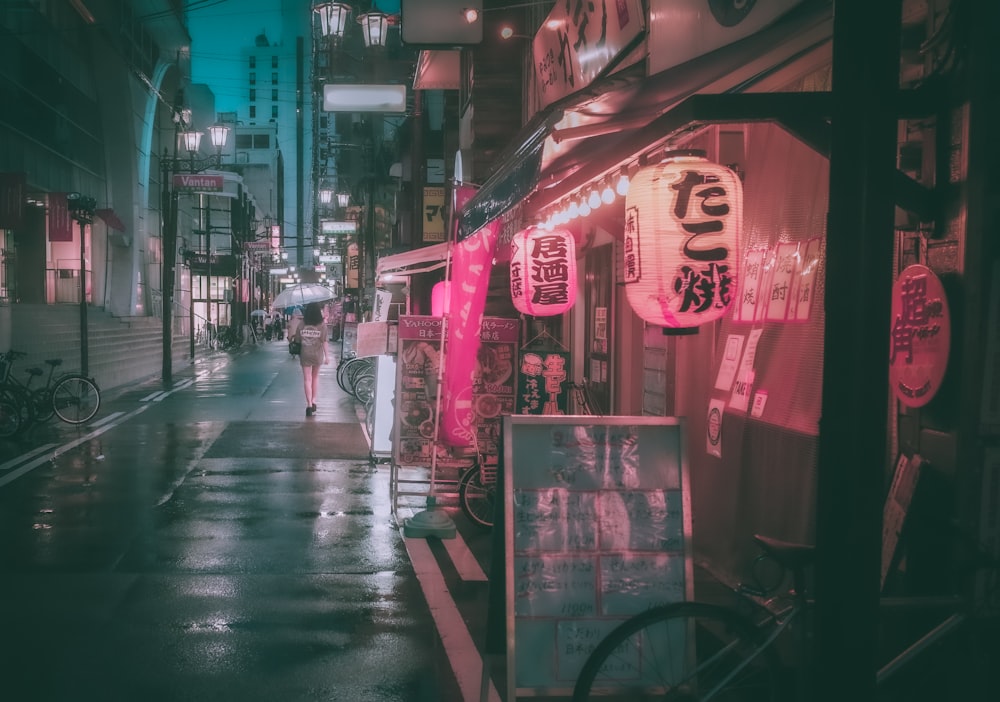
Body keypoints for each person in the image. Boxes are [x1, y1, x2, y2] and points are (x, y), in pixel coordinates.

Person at [293, 302, 329, 417]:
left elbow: (297, 340)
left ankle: (308, 404)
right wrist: (327, 356)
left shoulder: (302, 324)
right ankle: (314, 400)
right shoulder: (322, 324)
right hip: (317, 354)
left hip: (305, 353)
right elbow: (324, 341)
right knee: (315, 377)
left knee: (307, 379)